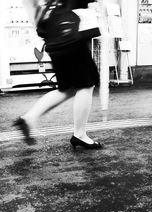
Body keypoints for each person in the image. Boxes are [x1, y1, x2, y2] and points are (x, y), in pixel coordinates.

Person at [15, 0, 102, 150]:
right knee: (86, 84)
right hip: (72, 35)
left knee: (67, 88)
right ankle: (79, 135)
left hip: (54, 39)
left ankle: (30, 117)